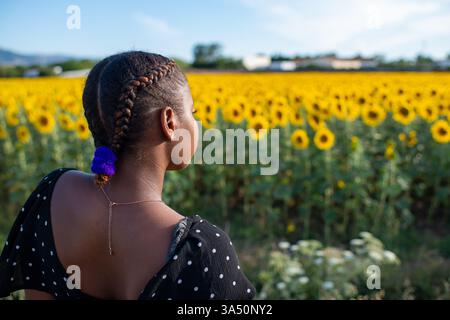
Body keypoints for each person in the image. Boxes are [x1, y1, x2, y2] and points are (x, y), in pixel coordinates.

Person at [0, 51, 256, 300]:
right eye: (193, 112)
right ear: (169, 122)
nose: (197, 124)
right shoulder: (202, 251)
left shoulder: (51, 194)